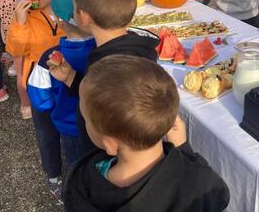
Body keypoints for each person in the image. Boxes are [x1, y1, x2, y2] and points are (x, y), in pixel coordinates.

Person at [63, 55, 230, 212]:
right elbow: (220, 196)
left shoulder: (81, 183)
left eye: (86, 119)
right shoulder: (199, 180)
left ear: (110, 144)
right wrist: (183, 150)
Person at [47, 0, 160, 155]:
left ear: (83, 17)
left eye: (74, 7)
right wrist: (71, 78)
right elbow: (108, 95)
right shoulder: (141, 48)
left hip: (106, 159)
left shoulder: (103, 64)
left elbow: (107, 114)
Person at [27, 18, 95, 202]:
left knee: (77, 166)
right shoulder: (104, 50)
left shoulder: (49, 57)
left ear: (60, 22)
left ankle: (80, 196)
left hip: (70, 127)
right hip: (102, 125)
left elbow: (41, 101)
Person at [5, 0, 66, 121]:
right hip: (38, 86)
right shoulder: (24, 17)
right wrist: (20, 24)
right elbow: (15, 50)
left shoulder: (67, 11)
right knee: (45, 129)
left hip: (64, 78)